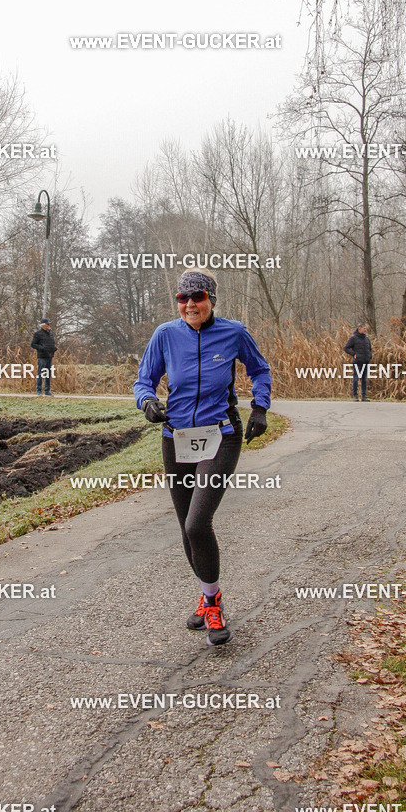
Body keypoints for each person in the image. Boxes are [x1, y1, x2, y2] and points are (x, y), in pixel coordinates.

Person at [133, 271, 271, 647]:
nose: (190, 304)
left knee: (197, 524)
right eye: (183, 298)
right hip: (176, 438)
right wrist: (147, 402)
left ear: (212, 299)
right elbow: (143, 380)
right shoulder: (165, 334)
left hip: (221, 436)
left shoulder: (233, 332)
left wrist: (260, 407)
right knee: (185, 529)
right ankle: (209, 594)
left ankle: (213, 605)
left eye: (198, 296)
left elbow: (259, 370)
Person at [344, 322, 373, 401]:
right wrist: (353, 354)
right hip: (357, 362)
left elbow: (370, 349)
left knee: (364, 379)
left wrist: (370, 356)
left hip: (365, 361)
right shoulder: (353, 338)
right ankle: (355, 396)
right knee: (356, 379)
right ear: (359, 329)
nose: (365, 330)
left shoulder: (366, 339)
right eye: (364, 328)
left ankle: (364, 396)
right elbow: (346, 348)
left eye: (365, 328)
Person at [31, 318, 57, 396]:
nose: (49, 325)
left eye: (49, 324)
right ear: (43, 325)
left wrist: (54, 348)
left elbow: (52, 342)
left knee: (48, 373)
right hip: (42, 357)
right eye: (47, 324)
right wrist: (41, 348)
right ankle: (39, 390)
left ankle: (47, 390)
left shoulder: (51, 333)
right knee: (41, 373)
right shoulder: (38, 334)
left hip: (50, 356)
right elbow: (33, 344)